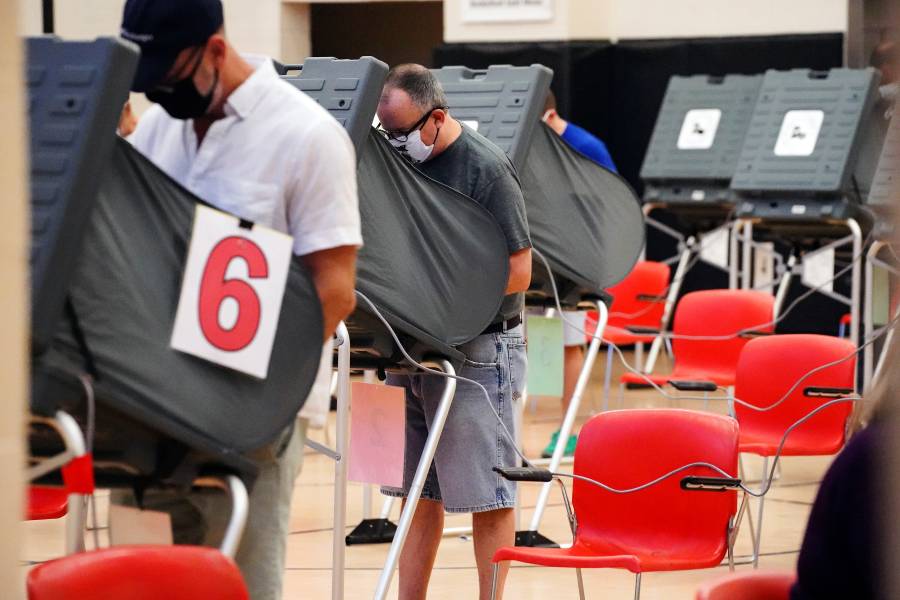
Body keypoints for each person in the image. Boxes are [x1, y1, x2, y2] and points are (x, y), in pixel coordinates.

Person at [115, 1, 361, 599]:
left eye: (168, 79)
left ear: (216, 50)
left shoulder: (307, 135)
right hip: (153, 402)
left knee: (240, 587)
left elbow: (335, 288)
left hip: (252, 414)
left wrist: (256, 396)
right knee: (139, 582)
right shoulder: (157, 128)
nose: (158, 96)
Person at [376, 64, 532, 600]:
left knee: (488, 494)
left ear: (436, 119)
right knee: (416, 492)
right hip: (413, 347)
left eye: (401, 134)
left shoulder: (485, 169)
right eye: (384, 134)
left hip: (480, 348)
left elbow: (520, 270)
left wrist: (449, 304)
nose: (394, 144)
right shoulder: (396, 163)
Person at [539, 90, 618, 458]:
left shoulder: (588, 147)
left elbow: (611, 206)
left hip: (575, 263)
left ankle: (568, 429)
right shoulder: (531, 145)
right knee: (534, 343)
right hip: (538, 260)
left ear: (552, 115)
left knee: (569, 344)